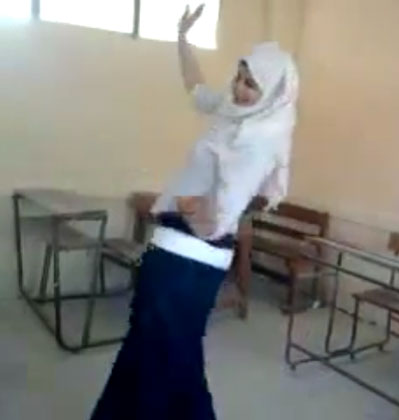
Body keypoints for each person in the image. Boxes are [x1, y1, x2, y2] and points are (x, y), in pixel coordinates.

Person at [90, 4, 299, 420]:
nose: (239, 88)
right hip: (173, 247)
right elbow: (196, 87)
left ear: (274, 93)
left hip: (190, 257)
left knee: (166, 357)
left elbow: (219, 216)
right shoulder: (233, 115)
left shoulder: (258, 139)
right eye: (239, 77)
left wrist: (188, 203)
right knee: (156, 350)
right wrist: (182, 37)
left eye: (251, 84)